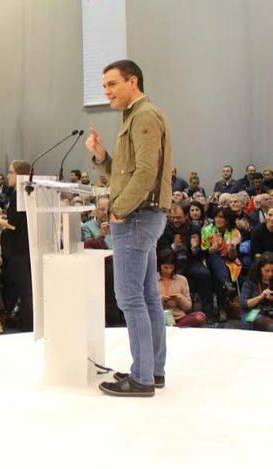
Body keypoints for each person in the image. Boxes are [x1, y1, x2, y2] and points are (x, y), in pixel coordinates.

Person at [87, 60, 172, 397]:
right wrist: (102, 156)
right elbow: (124, 174)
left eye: (111, 84)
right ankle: (152, 370)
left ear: (132, 81)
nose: (106, 91)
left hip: (137, 217)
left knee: (130, 297)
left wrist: (118, 210)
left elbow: (146, 173)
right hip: (140, 216)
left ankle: (141, 379)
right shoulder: (136, 117)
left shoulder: (145, 115)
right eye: (104, 85)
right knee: (147, 296)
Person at [0, 160, 33, 332]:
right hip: (28, 247)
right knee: (27, 290)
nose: (8, 175)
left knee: (25, 291)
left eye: (10, 172)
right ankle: (28, 323)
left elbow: (13, 224)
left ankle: (28, 326)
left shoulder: (17, 193)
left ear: (19, 175)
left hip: (19, 249)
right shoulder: (29, 191)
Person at [156, 249, 205, 327]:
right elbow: (146, 303)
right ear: (160, 265)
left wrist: (179, 297)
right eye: (165, 267)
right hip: (158, 317)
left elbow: (188, 307)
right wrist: (161, 299)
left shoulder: (182, 280)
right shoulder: (152, 280)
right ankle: (173, 328)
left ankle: (174, 327)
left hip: (179, 318)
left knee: (200, 316)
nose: (168, 270)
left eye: (171, 267)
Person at [239, 253, 273, 331]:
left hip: (270, 310)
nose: (270, 274)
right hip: (253, 311)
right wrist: (261, 297)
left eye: (272, 271)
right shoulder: (250, 282)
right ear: (260, 269)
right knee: (271, 325)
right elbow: (244, 304)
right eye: (267, 271)